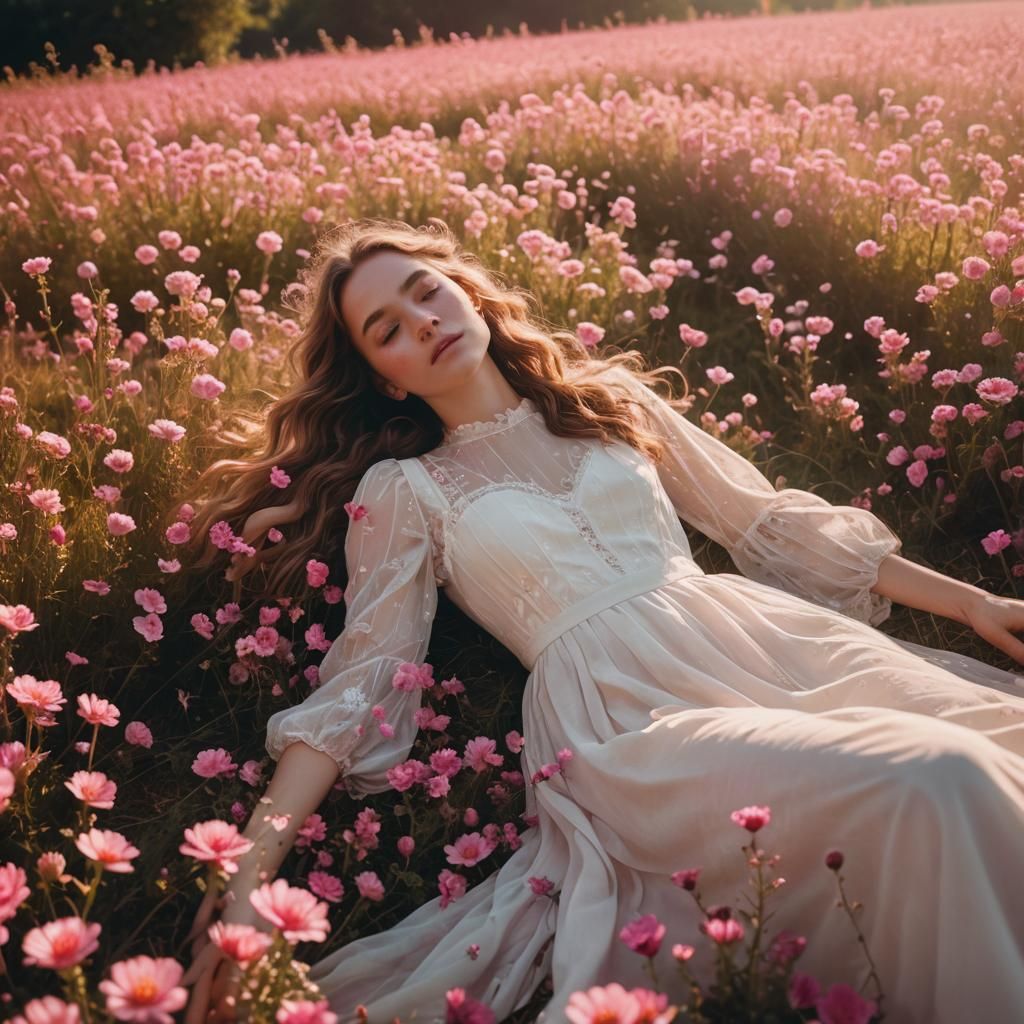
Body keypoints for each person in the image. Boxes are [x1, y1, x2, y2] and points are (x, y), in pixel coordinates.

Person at [180, 217, 1024, 1024]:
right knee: (936, 774)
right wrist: (248, 878)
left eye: (426, 291)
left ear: (467, 291)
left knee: (993, 749)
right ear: (386, 378)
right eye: (387, 328)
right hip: (630, 721)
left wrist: (973, 602)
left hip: (770, 645)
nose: (423, 322)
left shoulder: (611, 403)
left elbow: (768, 523)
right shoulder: (406, 492)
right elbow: (359, 687)